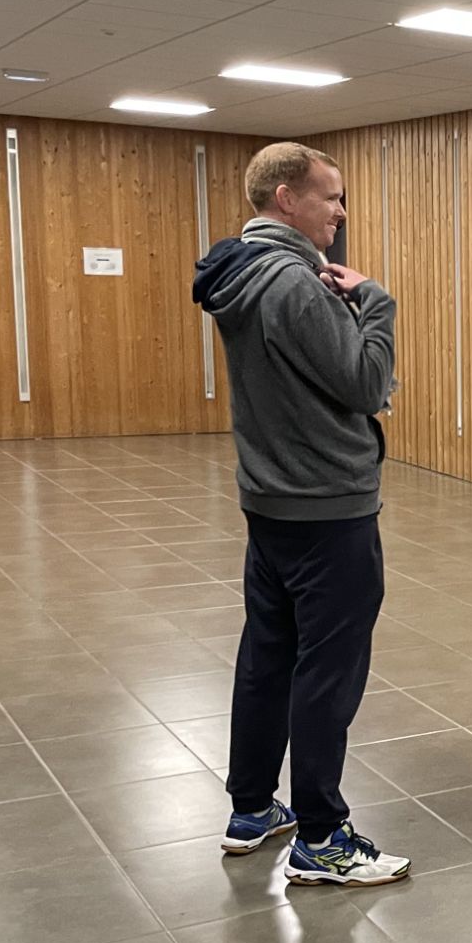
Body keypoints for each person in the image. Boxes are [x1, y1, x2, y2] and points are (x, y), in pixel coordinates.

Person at [191, 141, 409, 887]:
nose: (341, 212)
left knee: (269, 655)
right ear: (286, 198)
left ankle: (252, 807)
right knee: (328, 670)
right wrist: (376, 305)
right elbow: (364, 382)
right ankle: (321, 836)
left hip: (272, 501)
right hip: (328, 505)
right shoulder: (292, 282)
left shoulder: (241, 270)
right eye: (331, 197)